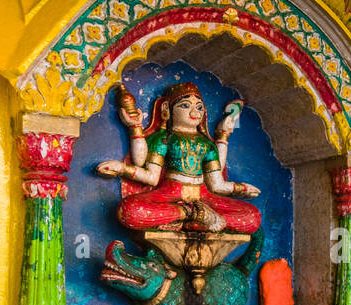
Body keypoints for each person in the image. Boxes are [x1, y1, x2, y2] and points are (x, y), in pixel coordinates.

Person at [97, 82, 261, 234]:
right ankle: (190, 215)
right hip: (170, 193)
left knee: (253, 216)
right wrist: (122, 167)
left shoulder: (206, 144)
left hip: (204, 196)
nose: (194, 112)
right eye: (185, 106)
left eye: (199, 107)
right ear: (167, 109)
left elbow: (217, 185)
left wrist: (241, 189)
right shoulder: (165, 138)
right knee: (129, 210)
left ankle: (190, 220)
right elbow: (151, 176)